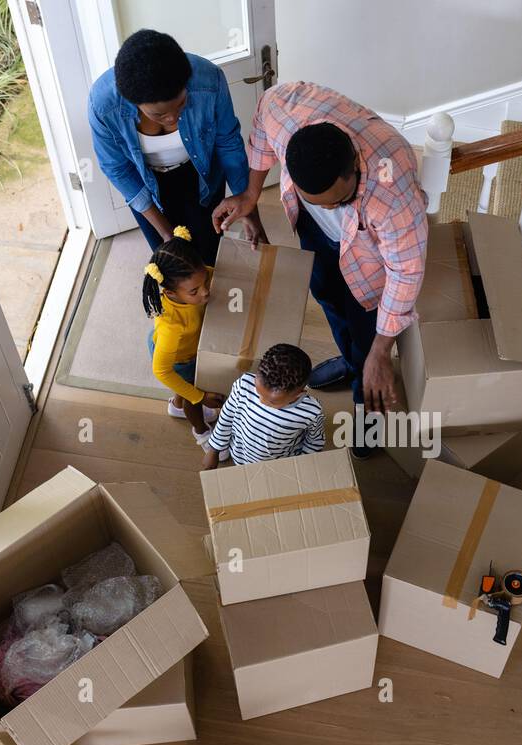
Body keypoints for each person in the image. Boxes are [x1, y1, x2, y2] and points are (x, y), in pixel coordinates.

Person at [210, 82, 427, 450]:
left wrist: (380, 351)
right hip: (318, 239)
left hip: (371, 260)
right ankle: (351, 360)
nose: (330, 209)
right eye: (318, 202)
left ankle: (367, 409)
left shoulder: (393, 192)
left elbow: (406, 271)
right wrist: (250, 194)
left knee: (366, 336)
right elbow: (263, 119)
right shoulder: (286, 111)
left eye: (337, 200)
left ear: (352, 169)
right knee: (326, 296)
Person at [88, 29, 266, 263]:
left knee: (208, 251)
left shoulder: (208, 80)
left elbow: (228, 143)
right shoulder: (103, 105)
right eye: (159, 114)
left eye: (181, 104)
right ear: (134, 101)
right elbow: (117, 168)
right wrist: (164, 231)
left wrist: (249, 207)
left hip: (202, 175)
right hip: (147, 185)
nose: (172, 119)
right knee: (175, 263)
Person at [142, 227, 225, 449]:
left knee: (183, 391)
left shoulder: (197, 275)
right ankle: (201, 432)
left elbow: (212, 273)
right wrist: (199, 395)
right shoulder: (172, 327)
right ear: (170, 293)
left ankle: (176, 403)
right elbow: (161, 371)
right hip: (181, 360)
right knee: (191, 398)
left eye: (205, 282)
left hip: (183, 345)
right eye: (194, 291)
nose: (205, 292)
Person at [203, 344, 325, 469]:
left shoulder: (311, 411)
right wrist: (214, 450)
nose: (261, 401)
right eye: (258, 391)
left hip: (278, 465)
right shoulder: (243, 385)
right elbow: (226, 418)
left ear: (298, 395)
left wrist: (300, 467)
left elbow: (314, 441)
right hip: (240, 456)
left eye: (272, 402)